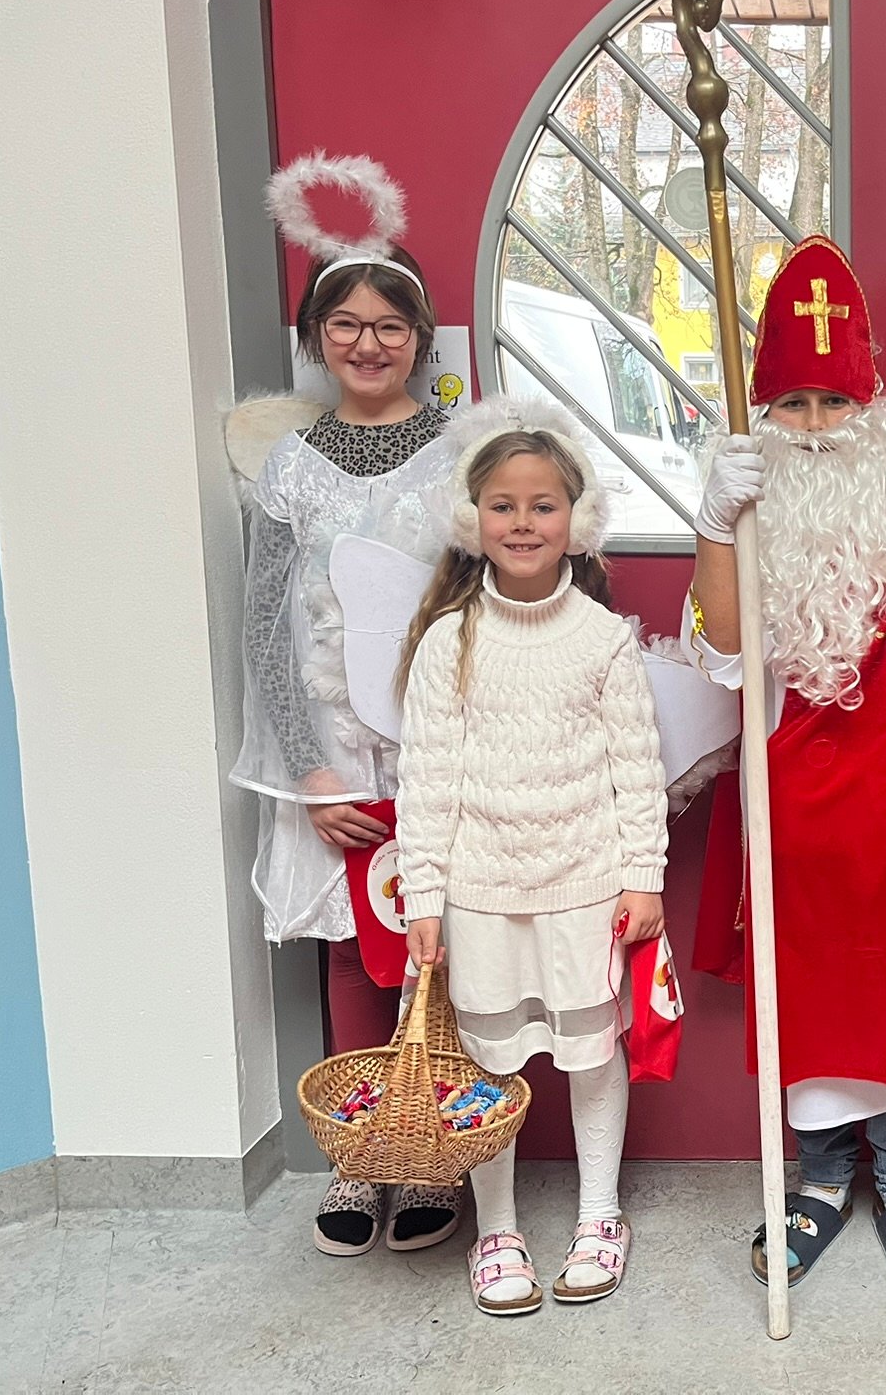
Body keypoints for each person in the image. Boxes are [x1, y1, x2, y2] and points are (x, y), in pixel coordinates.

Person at [685, 236, 886, 1300]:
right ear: (763, 415)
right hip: (789, 806)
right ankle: (820, 1182)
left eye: (832, 402)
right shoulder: (745, 510)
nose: (814, 426)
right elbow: (728, 653)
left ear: (869, 413)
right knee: (809, 996)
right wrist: (715, 527)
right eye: (792, 404)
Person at [227, 153, 460, 1256]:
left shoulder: (461, 453)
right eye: (346, 325)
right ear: (318, 338)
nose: (369, 344)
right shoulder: (291, 467)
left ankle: (435, 1151)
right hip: (331, 751)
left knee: (438, 945)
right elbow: (265, 624)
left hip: (436, 747)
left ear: (419, 336)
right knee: (352, 950)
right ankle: (362, 1157)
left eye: (390, 325)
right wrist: (309, 773)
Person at [394, 398, 669, 1317]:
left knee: (591, 1053)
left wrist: (644, 876)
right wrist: (424, 896)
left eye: (542, 505)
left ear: (574, 520)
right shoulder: (449, 640)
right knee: (487, 1065)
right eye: (503, 506)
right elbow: (426, 778)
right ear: (472, 518)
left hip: (585, 887)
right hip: (478, 895)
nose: (522, 523)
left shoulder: (601, 638)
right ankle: (499, 1228)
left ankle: (599, 1216)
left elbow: (637, 766)